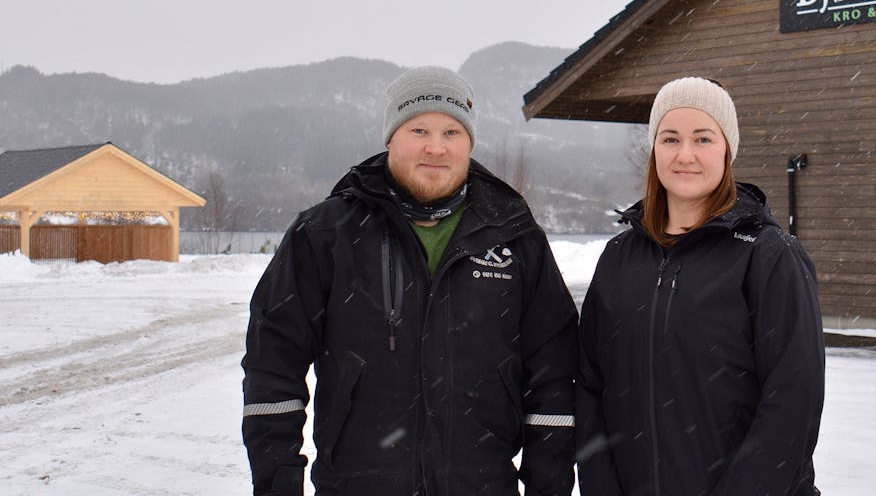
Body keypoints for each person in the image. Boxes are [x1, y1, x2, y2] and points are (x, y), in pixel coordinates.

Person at [241, 66, 578, 496]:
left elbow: (553, 379)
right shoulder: (326, 236)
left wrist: (548, 486)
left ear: (469, 143)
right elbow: (273, 368)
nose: (435, 147)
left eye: (452, 133)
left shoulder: (514, 237)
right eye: (419, 129)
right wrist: (277, 483)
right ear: (391, 137)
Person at [576, 77, 824, 496]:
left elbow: (792, 401)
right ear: (654, 149)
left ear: (727, 150)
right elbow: (589, 387)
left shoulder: (768, 255)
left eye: (703, 139)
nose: (685, 154)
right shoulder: (619, 257)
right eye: (670, 138)